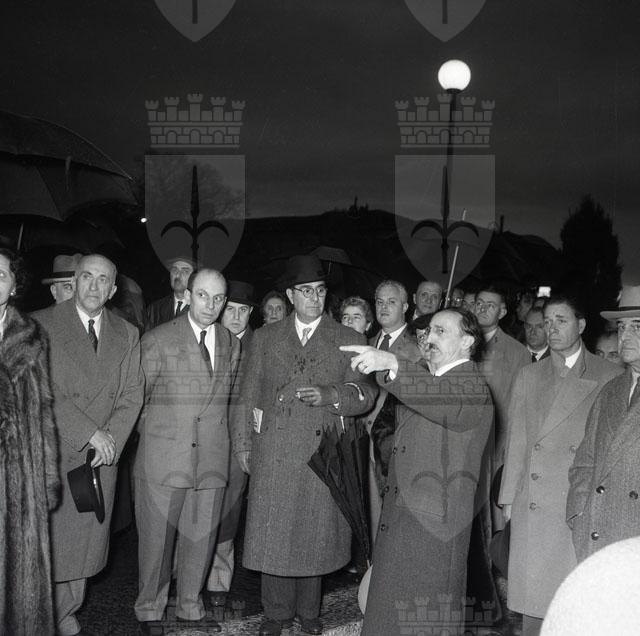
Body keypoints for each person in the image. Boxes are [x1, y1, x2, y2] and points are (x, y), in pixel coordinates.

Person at [233, 254, 376, 636]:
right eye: (306, 291)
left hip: (321, 452)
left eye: (320, 291)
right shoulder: (266, 337)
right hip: (273, 451)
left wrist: (332, 394)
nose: (314, 298)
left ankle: (309, 612)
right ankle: (276, 613)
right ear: (291, 296)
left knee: (313, 534)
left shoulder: (348, 339)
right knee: (274, 534)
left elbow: (366, 394)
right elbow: (248, 395)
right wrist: (243, 444)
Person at [342, 308, 493, 636]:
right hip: (403, 518)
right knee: (390, 618)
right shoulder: (432, 380)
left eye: (441, 331)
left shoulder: (471, 385)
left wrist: (393, 363)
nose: (429, 338)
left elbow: (444, 402)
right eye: (427, 332)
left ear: (467, 342)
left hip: (433, 530)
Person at [33, 253, 144, 636]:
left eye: (103, 280)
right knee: (48, 544)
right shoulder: (39, 325)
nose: (94, 286)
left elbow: (132, 394)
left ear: (113, 290)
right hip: (54, 451)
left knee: (83, 546)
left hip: (99, 458)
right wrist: (88, 432)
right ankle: (41, 614)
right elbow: (39, 388)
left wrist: (109, 437)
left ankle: (65, 611)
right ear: (74, 282)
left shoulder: (126, 333)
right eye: (87, 277)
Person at [499, 294, 622, 636]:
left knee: (576, 605)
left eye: (561, 321)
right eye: (547, 322)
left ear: (581, 325)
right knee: (535, 611)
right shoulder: (529, 375)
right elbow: (517, 440)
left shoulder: (609, 375)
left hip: (578, 504)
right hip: (533, 504)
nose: (551, 329)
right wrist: (508, 500)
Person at [134, 269, 240, 633]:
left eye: (218, 298)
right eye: (203, 295)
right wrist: (160, 436)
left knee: (201, 539)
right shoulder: (158, 339)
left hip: (211, 456)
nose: (210, 305)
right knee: (157, 542)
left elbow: (227, 400)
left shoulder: (231, 342)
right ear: (189, 295)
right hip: (165, 457)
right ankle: (150, 609)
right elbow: (137, 400)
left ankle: (191, 606)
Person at [0, 248, 60, 636]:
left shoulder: (32, 336)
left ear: (15, 285)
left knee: (17, 583)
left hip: (19, 473)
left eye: (1, 274)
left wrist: (47, 478)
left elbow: (43, 412)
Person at [567, 286, 640, 563]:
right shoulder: (611, 391)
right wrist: (579, 513)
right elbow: (584, 462)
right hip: (598, 538)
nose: (626, 336)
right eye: (622, 327)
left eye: (637, 326)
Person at [206, 280, 257, 608]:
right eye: (230, 310)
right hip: (201, 442)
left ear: (251, 313)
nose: (236, 317)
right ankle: (185, 575)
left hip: (238, 443)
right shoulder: (206, 339)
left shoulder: (260, 346)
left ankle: (218, 581)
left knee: (228, 511)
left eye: (243, 310)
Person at [366, 281, 419, 541]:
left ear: (406, 307)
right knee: (371, 513)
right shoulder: (366, 343)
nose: (384, 307)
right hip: (365, 441)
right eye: (379, 302)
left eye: (392, 302)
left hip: (397, 442)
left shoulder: (418, 347)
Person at [144, 256, 194, 331]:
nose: (178, 275)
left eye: (185, 271)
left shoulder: (200, 309)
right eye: (174, 270)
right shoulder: (154, 309)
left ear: (194, 278)